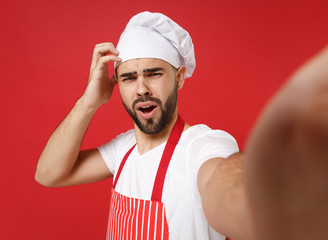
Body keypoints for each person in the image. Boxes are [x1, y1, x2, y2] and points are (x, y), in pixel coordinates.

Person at [35, 11, 328, 240]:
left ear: (179, 77)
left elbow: (223, 184)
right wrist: (89, 101)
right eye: (128, 78)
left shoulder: (203, 146)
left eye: (153, 74)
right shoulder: (122, 151)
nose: (141, 89)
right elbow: (48, 174)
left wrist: (273, 210)